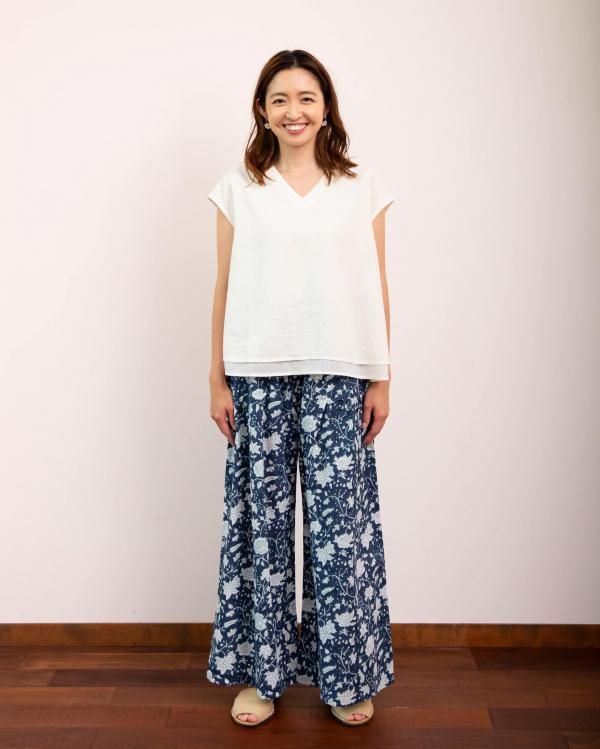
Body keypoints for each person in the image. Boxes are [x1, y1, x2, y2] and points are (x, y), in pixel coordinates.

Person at [206, 49, 395, 728]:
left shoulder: (361, 186)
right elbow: (224, 284)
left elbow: (376, 283)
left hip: (341, 372)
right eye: (280, 99)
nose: (294, 111)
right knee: (263, 529)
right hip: (256, 371)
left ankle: (346, 679)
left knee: (340, 531)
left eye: (306, 97)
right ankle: (264, 677)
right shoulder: (238, 187)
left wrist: (381, 374)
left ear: (326, 107)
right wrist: (216, 376)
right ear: (262, 110)